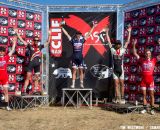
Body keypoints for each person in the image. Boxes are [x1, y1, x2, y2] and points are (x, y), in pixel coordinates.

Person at [14, 28, 51, 95]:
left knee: (37, 78)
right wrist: (17, 33)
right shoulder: (30, 46)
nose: (36, 42)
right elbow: (22, 40)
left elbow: (48, 42)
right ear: (33, 41)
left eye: (37, 40)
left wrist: (49, 35)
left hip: (37, 65)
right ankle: (24, 90)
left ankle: (35, 91)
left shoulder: (40, 47)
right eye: (35, 40)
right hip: (30, 64)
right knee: (28, 77)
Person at [61, 22, 97, 88]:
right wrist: (62, 28)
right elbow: (67, 34)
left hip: (80, 58)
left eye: (79, 34)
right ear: (76, 35)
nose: (78, 35)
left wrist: (93, 27)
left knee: (81, 71)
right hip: (74, 58)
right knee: (74, 71)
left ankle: (81, 83)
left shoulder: (82, 40)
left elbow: (89, 33)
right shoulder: (73, 40)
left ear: (80, 35)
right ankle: (73, 84)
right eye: (77, 34)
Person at [105, 25, 132, 104]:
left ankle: (123, 99)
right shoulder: (113, 50)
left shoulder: (122, 50)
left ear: (120, 45)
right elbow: (109, 42)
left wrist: (129, 32)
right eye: (116, 44)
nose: (118, 45)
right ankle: (117, 98)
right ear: (115, 45)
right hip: (115, 70)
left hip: (121, 70)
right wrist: (106, 33)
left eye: (119, 44)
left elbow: (127, 42)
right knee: (116, 85)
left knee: (122, 84)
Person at [132, 39, 160, 115]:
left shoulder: (154, 60)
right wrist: (134, 44)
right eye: (146, 53)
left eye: (149, 53)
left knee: (151, 95)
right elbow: (134, 53)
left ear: (150, 54)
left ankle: (152, 109)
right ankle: (145, 108)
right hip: (143, 80)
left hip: (150, 80)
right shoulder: (142, 60)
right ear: (145, 54)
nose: (148, 54)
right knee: (144, 95)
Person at [0, 36, 17, 110]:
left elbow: (12, 50)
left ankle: (6, 105)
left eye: (3, 51)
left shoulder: (6, 57)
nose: (1, 52)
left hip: (4, 77)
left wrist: (14, 42)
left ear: (4, 52)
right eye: (0, 51)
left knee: (6, 92)